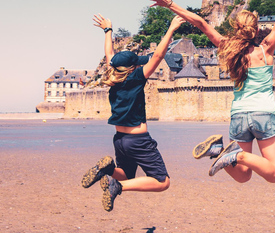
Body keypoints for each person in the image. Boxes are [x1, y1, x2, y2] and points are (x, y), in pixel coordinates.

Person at [149, 0, 275, 183]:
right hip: (264, 115)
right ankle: (238, 154)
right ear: (255, 29)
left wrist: (170, 4)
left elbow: (202, 23)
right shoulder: (266, 49)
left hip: (239, 116)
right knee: (273, 174)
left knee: (243, 176)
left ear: (236, 27)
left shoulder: (228, 48)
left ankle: (218, 151)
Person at [80, 14, 217, 212]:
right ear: (133, 68)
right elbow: (158, 56)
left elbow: (110, 55)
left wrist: (108, 31)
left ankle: (108, 170)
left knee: (126, 174)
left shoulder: (113, 76)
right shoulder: (136, 77)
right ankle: (117, 186)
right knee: (162, 182)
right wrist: (171, 28)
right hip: (138, 140)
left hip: (119, 139)